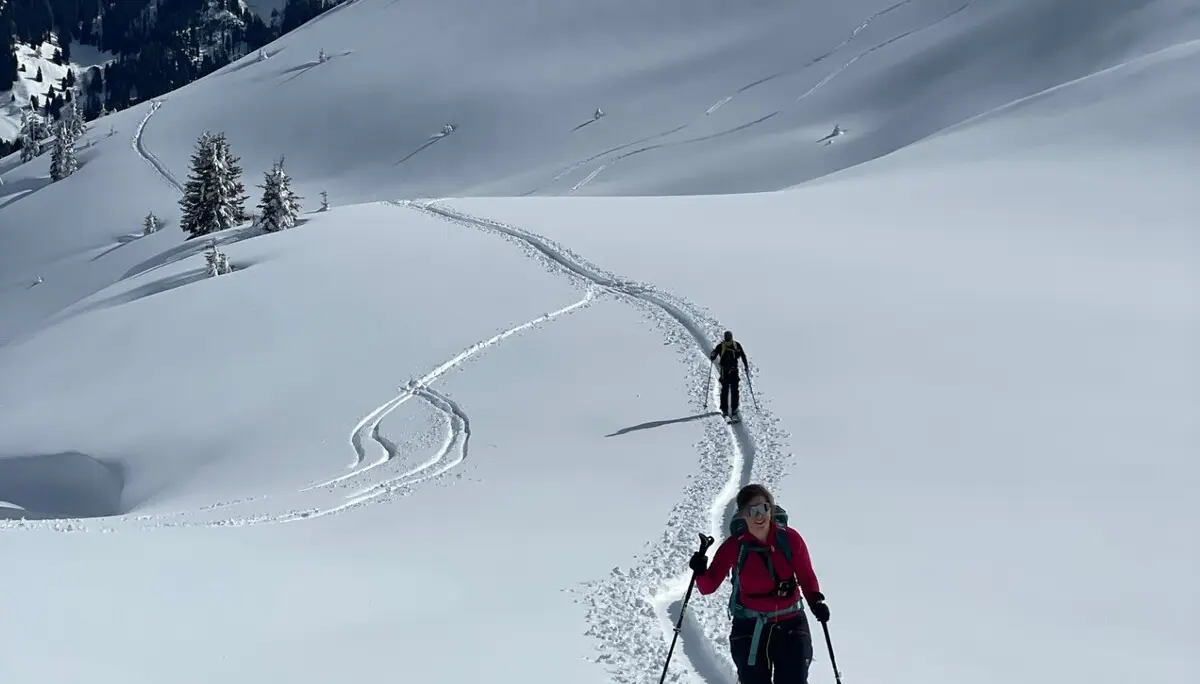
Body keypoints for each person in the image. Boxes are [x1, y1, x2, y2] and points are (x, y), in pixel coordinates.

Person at [688, 484, 830, 684]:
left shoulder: (790, 539)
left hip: (790, 622)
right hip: (749, 626)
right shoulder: (734, 546)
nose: (759, 515)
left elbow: (806, 578)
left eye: (763, 508)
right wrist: (700, 571)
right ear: (742, 515)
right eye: (751, 510)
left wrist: (816, 601)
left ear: (770, 509)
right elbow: (707, 587)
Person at [709, 330, 749, 421]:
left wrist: (712, 355)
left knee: (725, 390)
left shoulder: (721, 346)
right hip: (734, 371)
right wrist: (746, 367)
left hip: (725, 372)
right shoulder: (736, 345)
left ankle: (725, 410)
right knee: (734, 390)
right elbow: (743, 356)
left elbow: (713, 356)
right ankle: (734, 409)